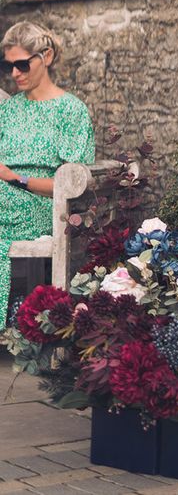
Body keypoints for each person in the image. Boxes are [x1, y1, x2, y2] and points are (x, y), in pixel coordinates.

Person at [0, 21, 94, 329]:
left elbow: (71, 185)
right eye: (9, 66)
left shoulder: (71, 111)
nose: (15, 74)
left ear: (47, 57)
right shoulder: (9, 110)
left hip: (42, 203)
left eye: (22, 64)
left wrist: (15, 179)